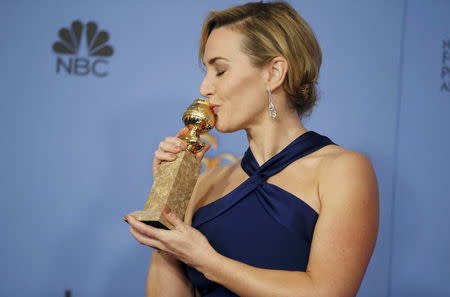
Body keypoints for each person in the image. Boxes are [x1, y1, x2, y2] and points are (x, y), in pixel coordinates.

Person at [125, 1, 379, 296]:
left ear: (274, 73)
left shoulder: (342, 170)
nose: (204, 87)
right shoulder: (207, 182)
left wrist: (205, 259)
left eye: (220, 70)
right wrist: (169, 203)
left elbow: (327, 292)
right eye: (206, 71)